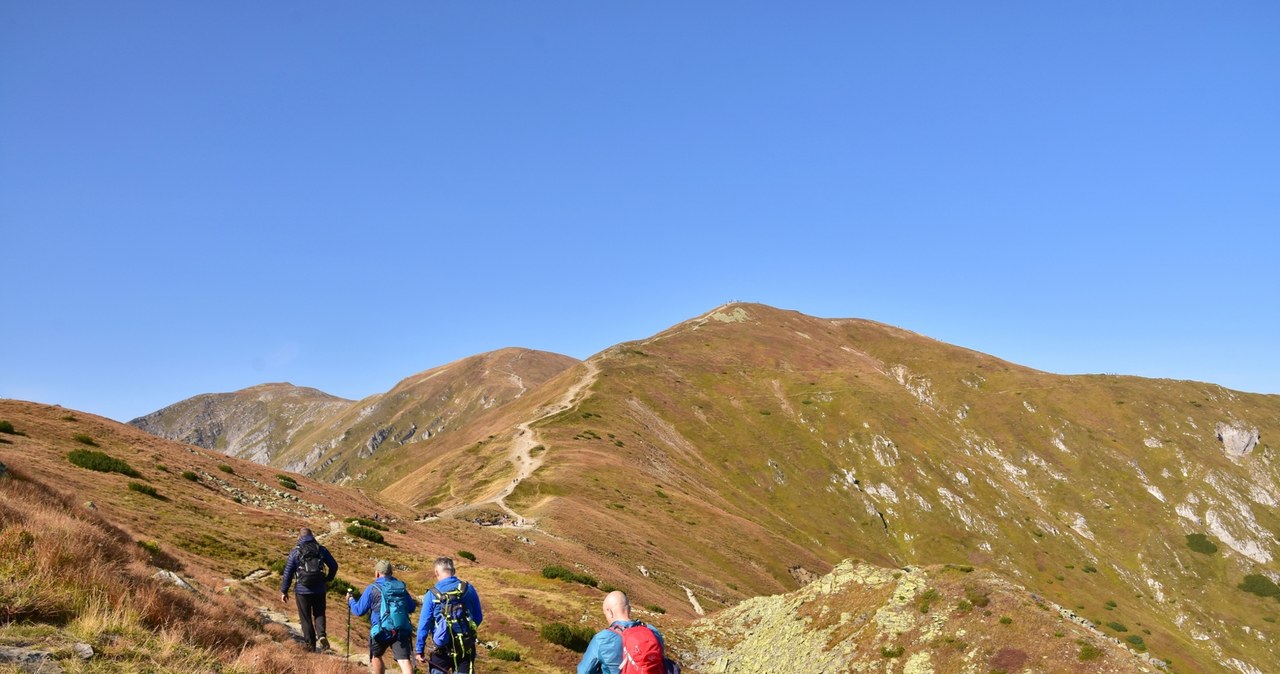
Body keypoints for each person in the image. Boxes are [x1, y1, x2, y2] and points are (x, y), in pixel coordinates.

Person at [416, 556, 484, 674]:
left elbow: (424, 623)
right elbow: (478, 617)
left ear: (436, 572)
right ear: (454, 571)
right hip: (465, 646)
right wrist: (465, 631)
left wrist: (419, 650)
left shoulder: (432, 594)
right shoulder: (468, 588)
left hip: (441, 647)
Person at [350, 560, 418, 674]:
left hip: (381, 629)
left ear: (377, 573)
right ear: (391, 572)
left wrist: (351, 601)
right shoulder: (401, 588)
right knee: (404, 661)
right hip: (401, 629)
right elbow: (411, 607)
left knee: (376, 656)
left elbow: (359, 611)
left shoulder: (373, 588)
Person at [279, 527, 339, 652]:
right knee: (319, 613)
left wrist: (284, 591)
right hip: (319, 588)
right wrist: (328, 579)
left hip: (302, 590)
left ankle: (310, 647)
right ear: (312, 536)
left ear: (299, 537)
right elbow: (334, 566)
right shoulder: (321, 549)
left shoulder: (295, 552)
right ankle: (321, 634)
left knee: (305, 618)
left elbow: (288, 573)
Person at [578, 591, 667, 674]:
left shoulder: (601, 639)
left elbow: (584, 671)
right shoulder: (652, 631)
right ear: (629, 609)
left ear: (610, 612)